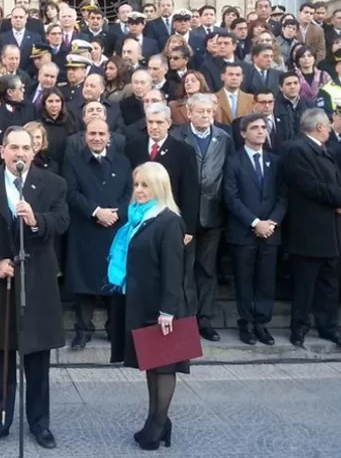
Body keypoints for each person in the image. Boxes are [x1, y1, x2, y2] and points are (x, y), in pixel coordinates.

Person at [0, 126, 69, 452]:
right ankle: (0, 421)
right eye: (14, 147)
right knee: (2, 359)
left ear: (33, 152)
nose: (20, 153)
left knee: (37, 361)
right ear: (2, 151)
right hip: (0, 284)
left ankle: (39, 423)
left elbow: (61, 221)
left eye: (26, 148)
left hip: (37, 283)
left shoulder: (53, 184)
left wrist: (36, 220)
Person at [107, 162, 188, 450]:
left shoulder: (168, 220)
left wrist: (167, 311)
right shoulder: (138, 219)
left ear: (160, 187)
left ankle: (157, 425)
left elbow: (173, 270)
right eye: (137, 184)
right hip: (141, 303)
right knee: (151, 365)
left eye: (145, 185)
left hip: (162, 307)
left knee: (164, 367)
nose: (139, 190)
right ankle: (157, 420)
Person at [282, 108, 341, 348]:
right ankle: (299, 329)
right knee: (305, 285)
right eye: (329, 125)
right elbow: (309, 186)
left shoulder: (326, 151)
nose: (331, 129)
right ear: (320, 126)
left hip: (332, 233)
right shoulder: (297, 149)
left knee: (329, 286)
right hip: (308, 232)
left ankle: (328, 327)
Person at [62, 119, 131, 350]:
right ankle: (83, 330)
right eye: (92, 133)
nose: (97, 137)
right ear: (85, 136)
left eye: (102, 133)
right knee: (84, 283)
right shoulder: (73, 162)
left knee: (113, 280)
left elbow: (130, 193)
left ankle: (114, 330)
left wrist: (116, 213)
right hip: (85, 230)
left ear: (109, 136)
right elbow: (70, 193)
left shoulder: (122, 162)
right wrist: (96, 212)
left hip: (115, 231)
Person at [170, 92, 232, 341]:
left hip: (213, 213)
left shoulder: (224, 138)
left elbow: (228, 173)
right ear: (189, 113)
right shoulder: (177, 136)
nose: (205, 115)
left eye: (209, 111)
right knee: (184, 268)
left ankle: (204, 318)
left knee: (207, 269)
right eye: (200, 111)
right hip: (184, 213)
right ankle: (185, 318)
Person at [222, 114, 286, 345]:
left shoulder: (275, 161)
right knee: (245, 280)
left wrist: (271, 223)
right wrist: (254, 222)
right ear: (243, 133)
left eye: (263, 127)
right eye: (255, 128)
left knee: (266, 280)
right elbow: (231, 197)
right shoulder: (233, 161)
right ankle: (246, 324)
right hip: (243, 232)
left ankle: (261, 323)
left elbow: (283, 196)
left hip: (270, 232)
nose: (260, 131)